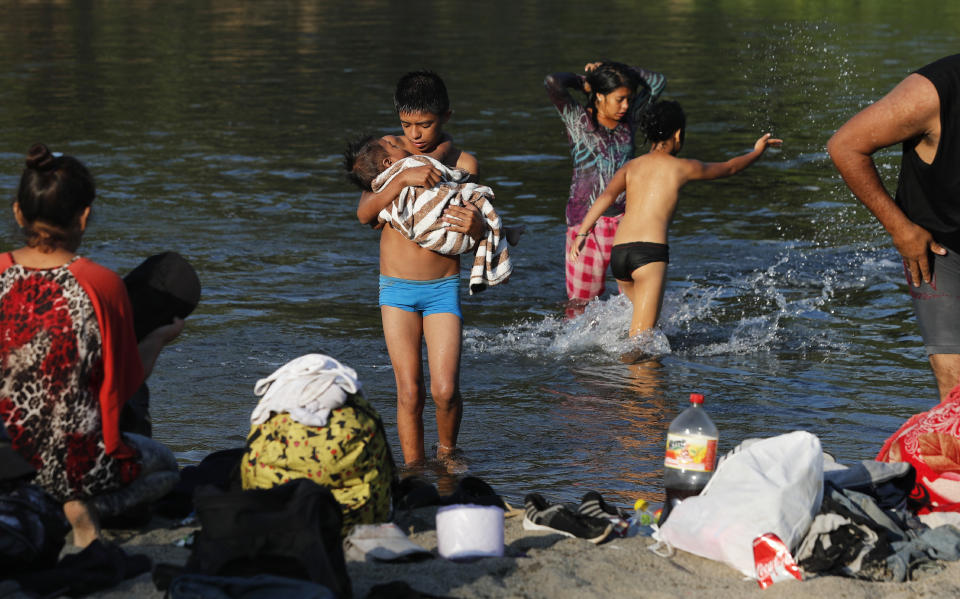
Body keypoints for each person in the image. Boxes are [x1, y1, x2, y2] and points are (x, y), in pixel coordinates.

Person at [0, 143, 182, 547]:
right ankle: (78, 512)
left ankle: (33, 499)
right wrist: (158, 338)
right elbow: (123, 388)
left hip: (5, 452)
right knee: (168, 469)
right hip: (72, 464)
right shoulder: (101, 285)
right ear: (83, 216)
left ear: (17, 211)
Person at [570, 101, 781, 346]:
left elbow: (605, 197)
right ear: (678, 134)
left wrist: (582, 233)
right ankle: (639, 381)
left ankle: (624, 374)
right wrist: (757, 151)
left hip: (619, 255)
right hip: (648, 255)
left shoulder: (631, 166)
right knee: (641, 340)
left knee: (640, 325)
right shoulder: (681, 167)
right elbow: (730, 167)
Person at [354, 71, 483, 467]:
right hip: (396, 290)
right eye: (407, 125)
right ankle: (413, 472)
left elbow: (475, 220)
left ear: (445, 115)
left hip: (442, 288)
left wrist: (477, 227)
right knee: (410, 392)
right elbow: (364, 213)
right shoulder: (390, 157)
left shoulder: (463, 162)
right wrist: (403, 177)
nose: (416, 134)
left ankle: (447, 454)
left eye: (425, 124)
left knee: (445, 390)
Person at [828, 54, 960, 401]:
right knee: (956, 385)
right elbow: (846, 146)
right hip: (939, 248)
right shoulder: (933, 92)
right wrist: (900, 228)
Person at [545, 61, 667, 306]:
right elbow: (553, 82)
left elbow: (658, 82)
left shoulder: (630, 119)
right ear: (599, 96)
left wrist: (617, 68)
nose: (625, 105)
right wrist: (586, 81)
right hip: (585, 223)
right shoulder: (579, 121)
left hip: (628, 220)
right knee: (581, 304)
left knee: (637, 301)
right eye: (619, 99)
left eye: (628, 99)